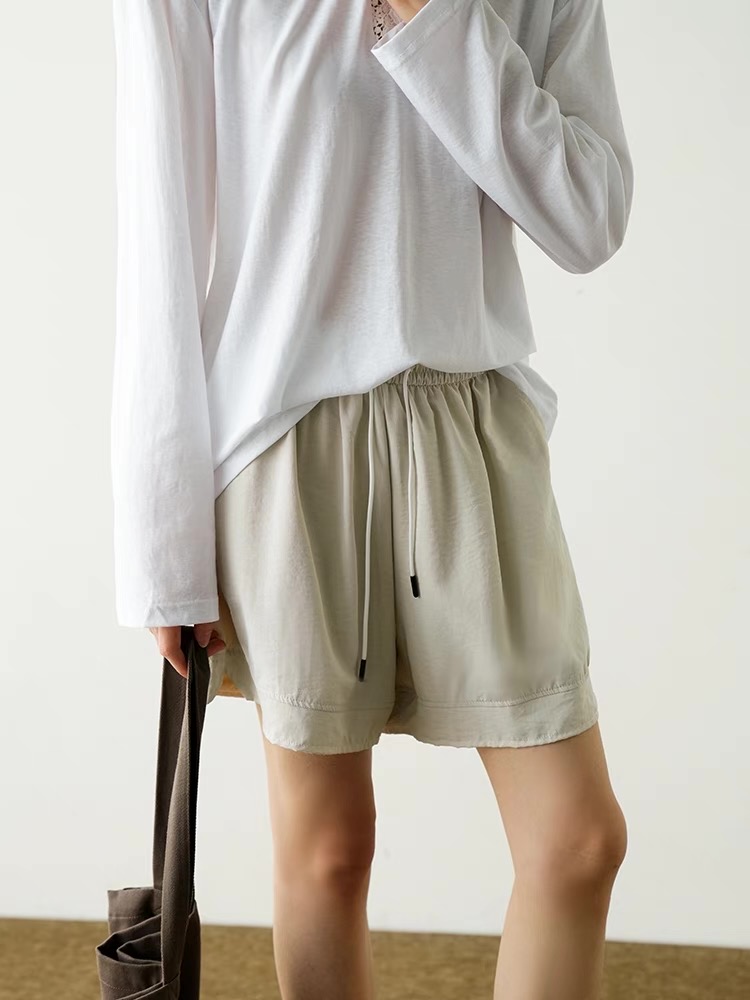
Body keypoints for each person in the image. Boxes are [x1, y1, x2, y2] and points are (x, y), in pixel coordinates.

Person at [111, 0, 634, 996]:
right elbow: (157, 245)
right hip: (284, 441)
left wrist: (431, 16)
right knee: (329, 851)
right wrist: (162, 548)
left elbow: (588, 216)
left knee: (577, 840)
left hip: (475, 426)